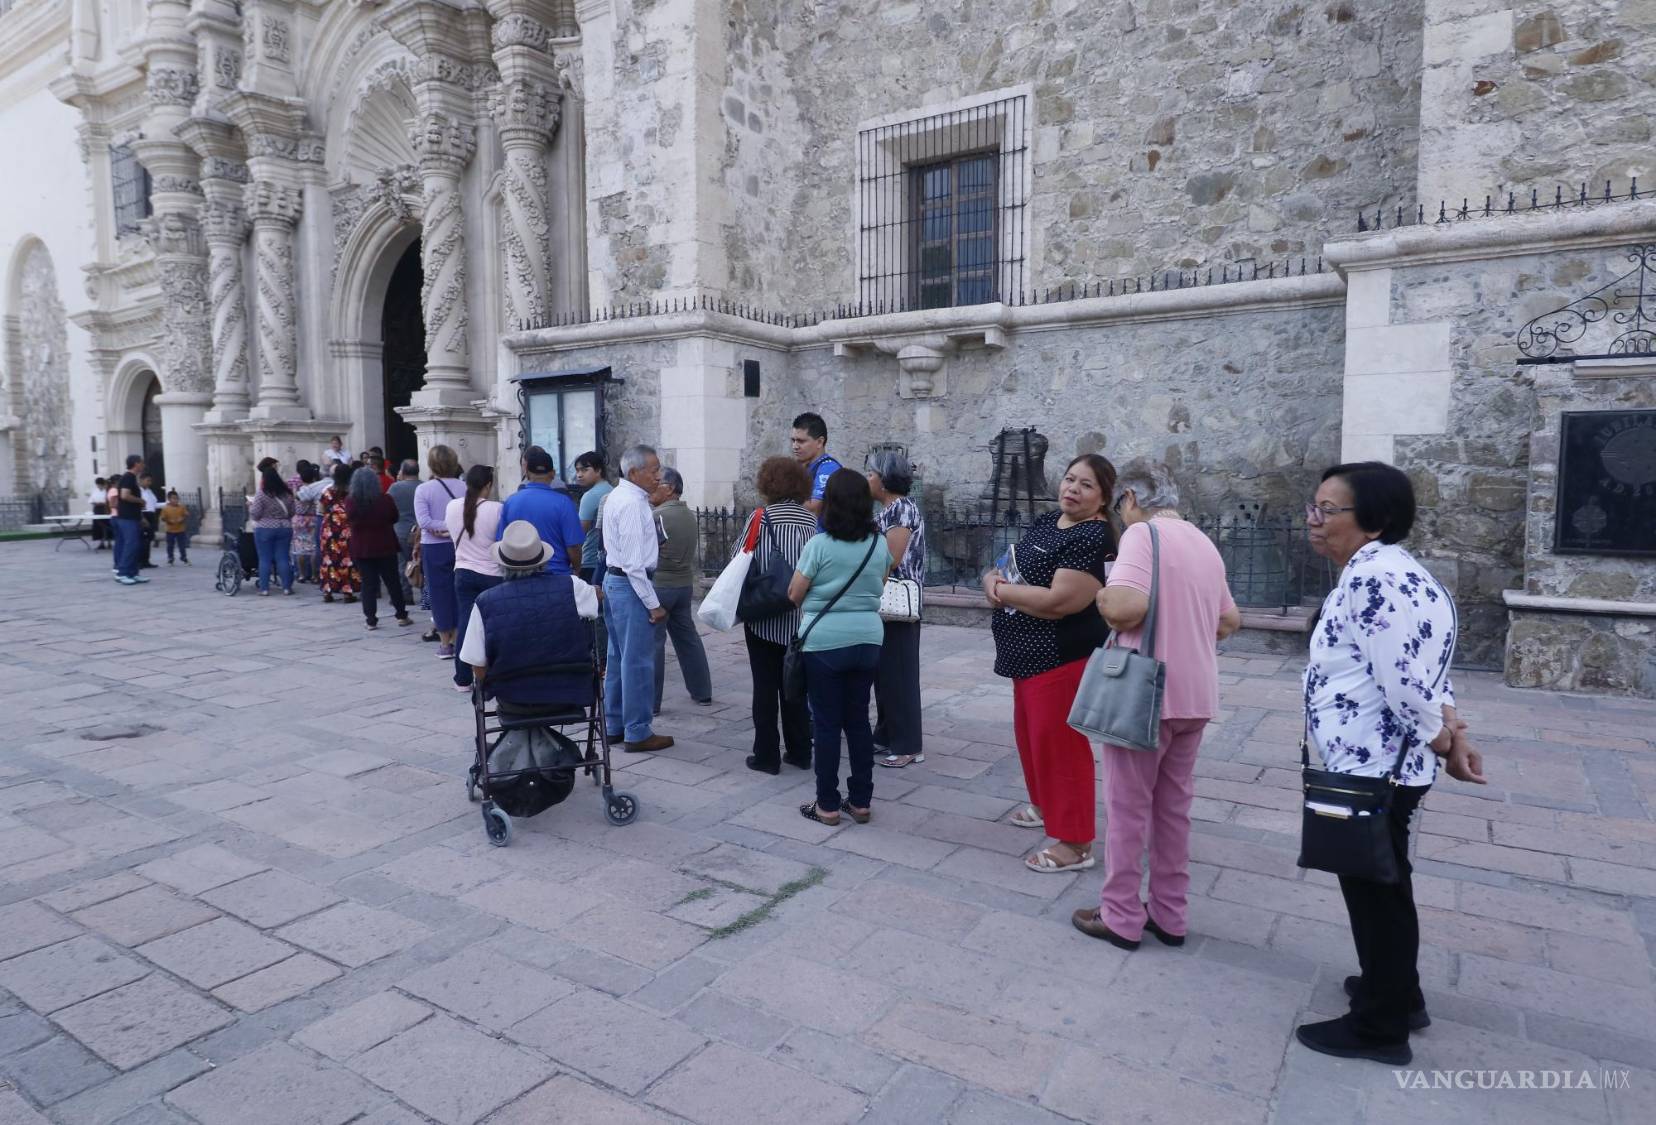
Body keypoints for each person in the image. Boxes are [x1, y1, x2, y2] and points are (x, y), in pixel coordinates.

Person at [1293, 462, 1484, 1067]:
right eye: (1314, 507)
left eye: (1328, 510)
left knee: (1376, 888)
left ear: (1372, 520)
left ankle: (1379, 1027)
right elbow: (1432, 671)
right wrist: (1449, 726)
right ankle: (1398, 992)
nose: (1314, 521)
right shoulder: (1407, 575)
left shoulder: (1374, 579)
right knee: (1386, 880)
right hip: (1380, 761)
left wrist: (1444, 739)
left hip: (1371, 763)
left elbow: (1404, 684)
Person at [1070, 460, 1241, 950]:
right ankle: (1170, 913)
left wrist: (1102, 597)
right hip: (1195, 694)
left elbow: (1125, 607)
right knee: (1173, 809)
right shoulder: (1202, 541)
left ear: (1128, 499)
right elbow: (1229, 619)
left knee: (1127, 809)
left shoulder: (1143, 535)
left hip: (1147, 695)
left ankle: (1121, 916)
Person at [983, 453, 1118, 874]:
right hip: (1024, 655)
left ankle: (1075, 843)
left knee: (1060, 747)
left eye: (1086, 485)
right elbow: (1005, 567)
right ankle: (1045, 805)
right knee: (1032, 736)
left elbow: (1061, 602)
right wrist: (992, 579)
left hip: (1059, 657)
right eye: (1069, 479)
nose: (1072, 489)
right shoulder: (1047, 522)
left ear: (1103, 499)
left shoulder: (1093, 536)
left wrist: (1001, 592)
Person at [791, 469, 892, 826]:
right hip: (867, 638)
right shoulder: (877, 543)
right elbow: (879, 582)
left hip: (825, 643)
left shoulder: (818, 545)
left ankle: (827, 805)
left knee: (827, 724)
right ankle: (861, 801)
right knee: (859, 722)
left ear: (829, 504)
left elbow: (794, 593)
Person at [459, 520, 602, 707]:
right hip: (570, 690)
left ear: (503, 564)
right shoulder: (572, 586)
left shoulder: (485, 602)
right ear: (542, 561)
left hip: (512, 696)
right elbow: (598, 596)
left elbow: (477, 663)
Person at [740, 457, 817, 775]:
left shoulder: (760, 518)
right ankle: (799, 751)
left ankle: (767, 755)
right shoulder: (811, 523)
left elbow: (740, 560)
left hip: (762, 618)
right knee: (796, 685)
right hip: (800, 620)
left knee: (764, 687)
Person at [601, 445, 673, 753]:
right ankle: (638, 730)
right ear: (634, 473)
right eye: (653, 470)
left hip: (616, 583)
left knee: (618, 658)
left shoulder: (621, 497)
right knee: (638, 661)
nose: (659, 476)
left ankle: (616, 723)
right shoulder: (631, 503)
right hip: (629, 585)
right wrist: (652, 603)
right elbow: (633, 563)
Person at [867, 450, 926, 768]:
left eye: (871, 474)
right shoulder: (890, 509)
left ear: (884, 479)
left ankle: (908, 744)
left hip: (899, 602)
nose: (868, 479)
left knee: (899, 674)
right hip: (887, 602)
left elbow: (892, 558)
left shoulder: (901, 508)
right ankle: (887, 733)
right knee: (885, 672)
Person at [650, 467, 713, 712]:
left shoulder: (657, 516)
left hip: (661, 585)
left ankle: (652, 702)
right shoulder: (688, 514)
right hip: (683, 585)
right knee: (688, 639)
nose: (652, 488)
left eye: (658, 484)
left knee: (654, 644)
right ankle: (702, 691)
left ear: (670, 489)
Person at [447, 464, 504, 692]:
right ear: (488, 485)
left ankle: (462, 678)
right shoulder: (497, 509)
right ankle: (492, 673)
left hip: (463, 572)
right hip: (492, 575)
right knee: (493, 626)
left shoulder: (452, 507)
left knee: (465, 624)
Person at [497, 445, 584, 575]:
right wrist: (577, 570)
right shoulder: (564, 503)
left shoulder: (511, 502)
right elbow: (573, 546)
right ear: (553, 474)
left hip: (520, 576)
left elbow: (501, 541)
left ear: (526, 473)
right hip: (557, 575)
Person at [345, 466, 412, 630]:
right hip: (385, 544)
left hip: (362, 547)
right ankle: (401, 615)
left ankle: (371, 619)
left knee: (368, 584)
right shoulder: (385, 499)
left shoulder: (351, 501)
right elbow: (394, 517)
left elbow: (349, 520)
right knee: (392, 581)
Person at [415, 445, 465, 657]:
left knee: (439, 593)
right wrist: (452, 526)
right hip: (460, 542)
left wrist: (442, 527)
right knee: (459, 590)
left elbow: (424, 521)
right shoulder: (464, 487)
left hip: (433, 546)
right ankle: (460, 636)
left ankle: (446, 642)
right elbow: (470, 515)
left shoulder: (423, 489)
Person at [248, 466, 296, 595]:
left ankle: (264, 589)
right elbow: (292, 512)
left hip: (265, 528)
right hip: (285, 527)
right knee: (283, 557)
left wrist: (250, 506)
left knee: (264, 559)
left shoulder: (261, 494)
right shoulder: (287, 493)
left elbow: (255, 514)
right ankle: (286, 587)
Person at [318, 462, 360, 603]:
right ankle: (347, 592)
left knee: (329, 558)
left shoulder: (328, 491)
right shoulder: (353, 491)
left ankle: (328, 591)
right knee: (347, 559)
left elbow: (322, 509)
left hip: (330, 528)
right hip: (348, 528)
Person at [789, 411, 842, 520]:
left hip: (824, 535)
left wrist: (786, 490)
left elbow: (813, 511)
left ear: (819, 442)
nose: (795, 446)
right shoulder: (804, 467)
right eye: (793, 440)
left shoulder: (828, 468)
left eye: (801, 441)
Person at [574, 451, 612, 584]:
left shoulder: (590, 496)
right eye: (577, 470)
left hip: (590, 561)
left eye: (585, 470)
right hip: (608, 559)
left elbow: (579, 534)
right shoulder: (611, 489)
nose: (579, 474)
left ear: (598, 470)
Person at [111, 455, 148, 585]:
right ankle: (123, 573)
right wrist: (140, 500)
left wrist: (140, 516)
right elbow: (124, 495)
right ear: (136, 464)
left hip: (132, 516)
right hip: (126, 517)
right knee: (130, 544)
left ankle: (133, 573)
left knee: (135, 545)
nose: (143, 465)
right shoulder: (127, 478)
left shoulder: (132, 478)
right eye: (141, 463)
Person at [388, 460, 421, 607]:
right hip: (420, 531)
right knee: (423, 564)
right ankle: (426, 596)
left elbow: (387, 506)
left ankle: (406, 595)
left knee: (402, 564)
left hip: (400, 530)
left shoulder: (395, 488)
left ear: (402, 471)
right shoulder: (424, 486)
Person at [290, 462, 322, 584]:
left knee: (300, 548)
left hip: (299, 520)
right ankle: (315, 575)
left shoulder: (299, 491)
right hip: (313, 519)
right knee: (313, 548)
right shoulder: (315, 490)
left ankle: (302, 575)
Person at [137, 473, 162, 569]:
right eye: (147, 480)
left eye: (150, 481)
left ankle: (146, 560)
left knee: (149, 538)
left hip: (151, 514)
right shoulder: (138, 491)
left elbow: (154, 504)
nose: (149, 483)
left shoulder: (149, 491)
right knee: (142, 539)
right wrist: (142, 518)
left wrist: (167, 504)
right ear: (141, 480)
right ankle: (139, 561)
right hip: (144, 514)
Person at [159, 490, 191, 565]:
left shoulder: (182, 507)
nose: (175, 500)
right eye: (173, 498)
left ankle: (184, 558)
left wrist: (182, 519)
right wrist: (169, 520)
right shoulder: (165, 508)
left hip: (181, 530)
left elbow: (186, 514)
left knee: (182, 545)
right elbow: (163, 518)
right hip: (170, 530)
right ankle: (170, 558)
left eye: (176, 498)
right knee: (170, 545)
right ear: (169, 499)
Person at [89, 478, 110, 549]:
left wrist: (103, 503)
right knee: (99, 526)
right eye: (98, 485)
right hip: (97, 509)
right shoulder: (94, 491)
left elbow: (109, 500)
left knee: (107, 525)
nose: (99, 486)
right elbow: (91, 500)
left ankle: (109, 542)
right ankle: (102, 542)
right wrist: (96, 503)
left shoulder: (107, 491)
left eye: (100, 485)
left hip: (105, 509)